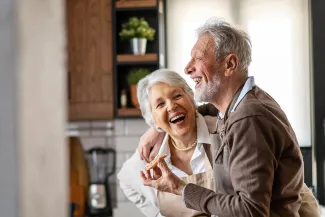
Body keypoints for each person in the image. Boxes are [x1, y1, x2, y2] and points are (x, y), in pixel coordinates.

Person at [138, 18, 321, 217]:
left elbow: (250, 211)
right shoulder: (239, 106)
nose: (187, 68)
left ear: (230, 64)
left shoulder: (249, 119)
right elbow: (202, 109)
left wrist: (180, 188)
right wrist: (157, 126)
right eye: (160, 104)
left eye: (197, 58)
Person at [117, 69, 218, 217]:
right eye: (160, 104)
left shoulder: (223, 133)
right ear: (153, 120)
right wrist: (156, 214)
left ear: (191, 98)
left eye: (177, 96)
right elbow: (125, 178)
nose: (171, 106)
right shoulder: (151, 157)